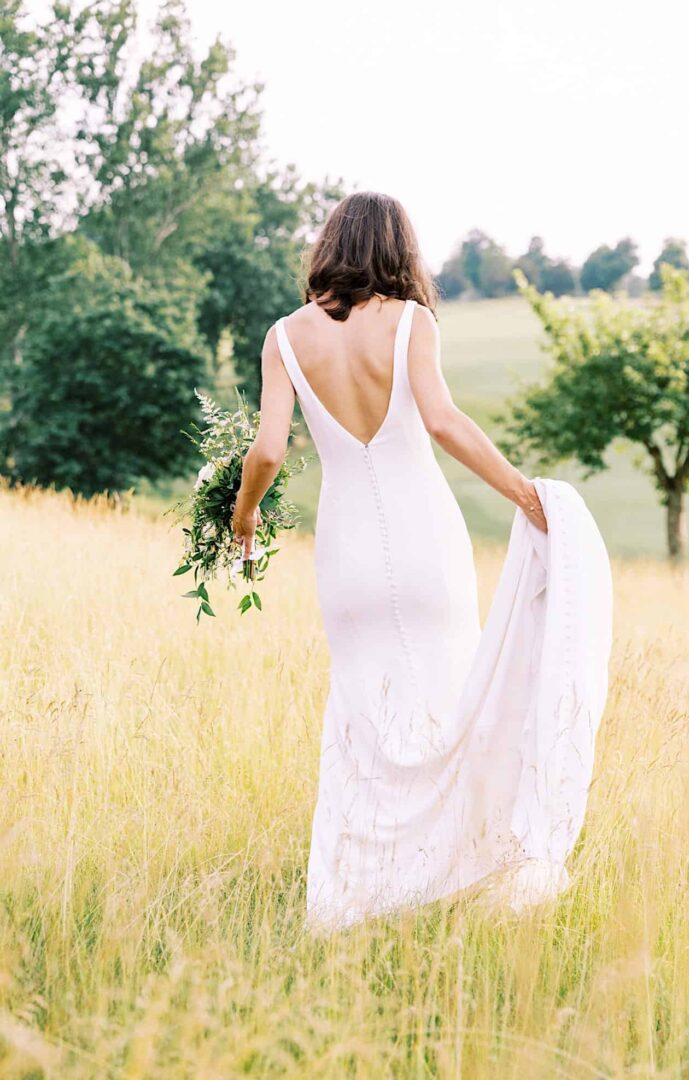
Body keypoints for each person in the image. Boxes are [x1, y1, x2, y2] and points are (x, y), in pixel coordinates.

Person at [229, 191, 612, 930]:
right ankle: (453, 876)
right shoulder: (412, 323)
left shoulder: (283, 337)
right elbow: (443, 421)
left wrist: (242, 517)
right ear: (398, 250)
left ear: (329, 247)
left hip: (345, 557)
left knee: (363, 718)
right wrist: (526, 497)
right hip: (424, 541)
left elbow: (268, 449)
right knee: (447, 701)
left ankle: (357, 897)